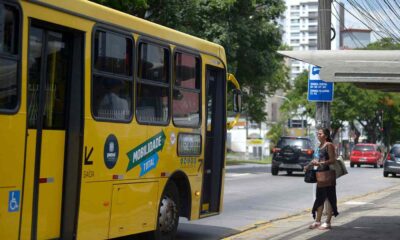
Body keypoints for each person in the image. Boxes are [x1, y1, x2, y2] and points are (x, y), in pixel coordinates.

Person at [308, 128, 338, 230]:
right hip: (320, 175)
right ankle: (317, 220)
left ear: (325, 135)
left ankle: (328, 222)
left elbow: (333, 160)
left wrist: (320, 163)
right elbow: (317, 158)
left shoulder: (329, 145)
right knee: (320, 198)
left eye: (320, 134)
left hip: (328, 175)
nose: (318, 135)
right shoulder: (319, 146)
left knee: (329, 198)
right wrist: (309, 165)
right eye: (318, 133)